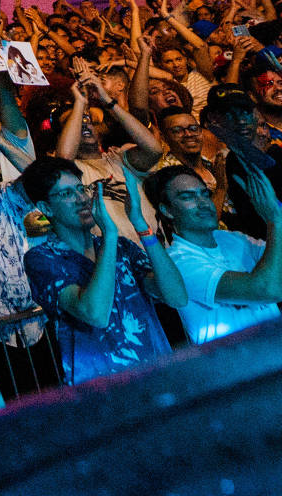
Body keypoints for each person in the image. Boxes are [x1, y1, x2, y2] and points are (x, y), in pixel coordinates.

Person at [18, 157, 187, 385]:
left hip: (158, 374)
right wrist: (109, 234)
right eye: (67, 194)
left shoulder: (122, 247)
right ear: (46, 207)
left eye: (82, 189)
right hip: (103, 389)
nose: (81, 199)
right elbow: (94, 313)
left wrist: (139, 224)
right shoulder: (43, 258)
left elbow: (176, 296)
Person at [146, 162, 282, 346]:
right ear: (167, 210)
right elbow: (268, 291)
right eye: (188, 197)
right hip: (240, 368)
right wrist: (273, 220)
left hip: (281, 352)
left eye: (205, 193)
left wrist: (278, 208)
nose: (204, 203)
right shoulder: (177, 261)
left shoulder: (232, 239)